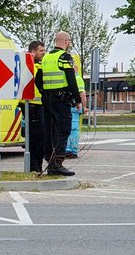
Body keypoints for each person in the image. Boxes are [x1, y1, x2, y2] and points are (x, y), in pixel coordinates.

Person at [35, 31, 81, 176]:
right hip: (61, 100)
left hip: (47, 100)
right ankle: (57, 165)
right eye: (69, 41)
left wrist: (44, 92)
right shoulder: (64, 57)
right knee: (63, 131)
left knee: (50, 131)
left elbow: (38, 79)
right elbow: (71, 79)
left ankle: (49, 160)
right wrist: (77, 99)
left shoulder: (46, 57)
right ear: (66, 41)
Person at [27, 40, 46, 173]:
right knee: (36, 138)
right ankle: (35, 165)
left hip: (38, 105)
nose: (43, 53)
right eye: (41, 51)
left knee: (37, 138)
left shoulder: (37, 66)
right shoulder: (29, 67)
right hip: (33, 105)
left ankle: (35, 165)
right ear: (33, 51)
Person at [66, 59, 87, 158]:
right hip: (75, 105)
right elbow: (82, 94)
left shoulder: (65, 78)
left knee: (66, 128)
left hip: (65, 104)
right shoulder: (78, 79)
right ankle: (73, 150)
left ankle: (66, 149)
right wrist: (84, 106)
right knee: (74, 129)